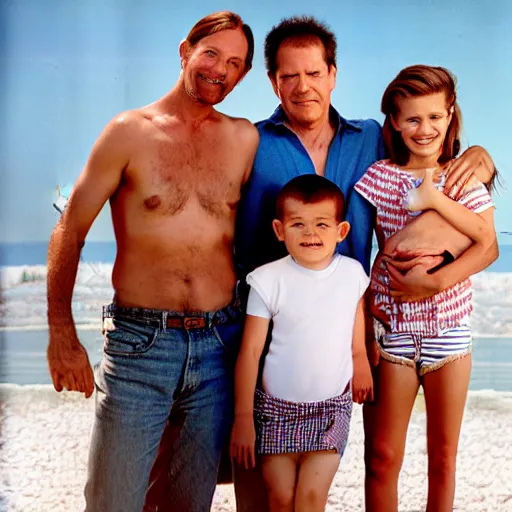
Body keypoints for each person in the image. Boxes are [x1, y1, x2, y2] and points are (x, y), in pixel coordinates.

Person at [233, 16, 497, 512]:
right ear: (272, 82)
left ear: (333, 75)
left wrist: (482, 158)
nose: (303, 86)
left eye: (314, 73)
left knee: (350, 469)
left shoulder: (367, 139)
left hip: (367, 332)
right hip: (282, 326)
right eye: (289, 75)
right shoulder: (253, 140)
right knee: (273, 482)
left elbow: (452, 185)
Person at [46, 11, 259, 512]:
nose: (220, 70)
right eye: (211, 54)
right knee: (113, 501)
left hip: (217, 345)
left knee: (190, 503)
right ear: (185, 50)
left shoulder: (244, 139)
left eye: (235, 64)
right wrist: (61, 334)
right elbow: (70, 229)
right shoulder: (127, 133)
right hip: (140, 346)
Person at [354, 64, 498, 512]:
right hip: (392, 332)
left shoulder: (461, 179)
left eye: (435, 117)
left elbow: (487, 246)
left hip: (449, 333)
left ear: (450, 114)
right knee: (380, 458)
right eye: (413, 119)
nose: (425, 129)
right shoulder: (377, 177)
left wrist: (432, 283)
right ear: (394, 122)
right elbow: (358, 252)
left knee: (443, 460)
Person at [230, 175, 372, 512]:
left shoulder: (352, 273)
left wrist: (361, 360)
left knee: (310, 499)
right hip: (275, 411)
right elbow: (250, 352)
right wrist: (243, 417)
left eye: (322, 224)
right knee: (280, 500)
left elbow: (356, 322)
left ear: (341, 232)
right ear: (280, 231)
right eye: (298, 224)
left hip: (330, 409)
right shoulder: (267, 280)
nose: (311, 234)